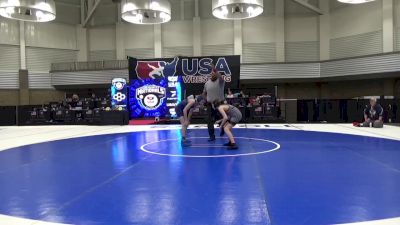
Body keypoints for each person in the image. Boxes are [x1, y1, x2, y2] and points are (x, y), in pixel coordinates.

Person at [202, 67, 225, 141]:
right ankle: (211, 136)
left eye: (214, 72)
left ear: (216, 73)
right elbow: (204, 93)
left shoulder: (220, 81)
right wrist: (206, 99)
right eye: (211, 73)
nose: (212, 74)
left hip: (219, 104)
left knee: (221, 118)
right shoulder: (207, 83)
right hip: (210, 104)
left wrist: (216, 70)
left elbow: (220, 76)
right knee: (209, 120)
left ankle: (222, 128)